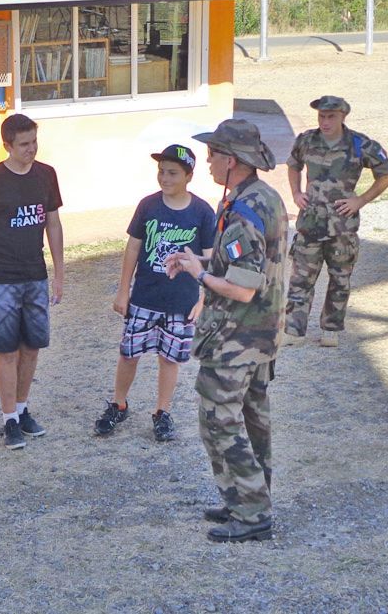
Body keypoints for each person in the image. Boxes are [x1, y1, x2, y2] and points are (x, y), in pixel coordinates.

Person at [165, 119, 285, 543]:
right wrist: (198, 256)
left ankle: (252, 515)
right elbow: (239, 257)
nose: (209, 161)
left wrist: (199, 275)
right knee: (253, 420)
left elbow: (241, 287)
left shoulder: (244, 211)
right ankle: (245, 500)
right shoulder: (259, 198)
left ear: (231, 161)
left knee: (220, 422)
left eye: (214, 154)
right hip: (261, 338)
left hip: (237, 337)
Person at [96, 145, 216, 441]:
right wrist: (123, 290)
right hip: (145, 296)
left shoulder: (201, 211)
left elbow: (211, 258)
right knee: (129, 353)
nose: (164, 177)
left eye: (172, 173)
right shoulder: (148, 206)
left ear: (189, 175)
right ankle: (118, 403)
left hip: (182, 301)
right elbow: (134, 247)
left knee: (170, 358)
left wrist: (204, 298)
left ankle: (162, 411)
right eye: (161, 171)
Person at [0, 114, 64, 450]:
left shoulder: (46, 175)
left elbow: (53, 224)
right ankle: (9, 418)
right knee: (6, 350)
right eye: (24, 144)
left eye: (34, 141)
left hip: (34, 274)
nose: (31, 149)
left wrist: (59, 274)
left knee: (32, 347)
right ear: (7, 145)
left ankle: (23, 410)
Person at [284, 95, 388, 347]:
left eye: (331, 116)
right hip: (310, 223)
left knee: (340, 279)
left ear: (343, 116)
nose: (325, 122)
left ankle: (330, 329)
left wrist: (361, 200)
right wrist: (296, 192)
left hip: (342, 226)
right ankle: (293, 330)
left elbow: (387, 174)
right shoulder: (306, 140)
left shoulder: (359, 144)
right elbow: (293, 165)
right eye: (321, 116)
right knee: (301, 278)